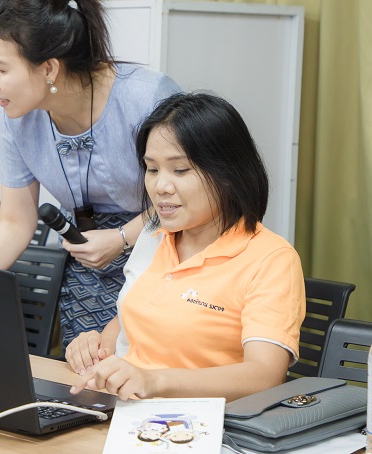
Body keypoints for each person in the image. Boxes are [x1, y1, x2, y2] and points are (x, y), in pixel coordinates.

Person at [0, 0, 181, 346]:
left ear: (49, 68)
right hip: (88, 258)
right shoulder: (17, 117)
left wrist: (121, 238)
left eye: (1, 69)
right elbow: (14, 222)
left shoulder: (146, 97)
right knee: (84, 368)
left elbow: (191, 193)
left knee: (136, 366)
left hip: (166, 249)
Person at [65, 92, 306, 402]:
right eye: (152, 169)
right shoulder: (154, 237)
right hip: (127, 411)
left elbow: (265, 375)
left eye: (180, 170)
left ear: (228, 174)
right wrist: (95, 346)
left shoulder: (271, 258)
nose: (160, 187)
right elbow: (130, 323)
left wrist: (154, 381)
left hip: (207, 423)